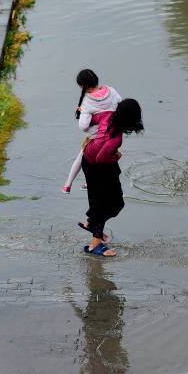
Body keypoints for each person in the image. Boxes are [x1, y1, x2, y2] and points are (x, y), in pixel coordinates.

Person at [79, 99, 144, 257]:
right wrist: (117, 156)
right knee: (106, 205)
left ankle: (92, 223)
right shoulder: (116, 139)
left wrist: (82, 111)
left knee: (111, 203)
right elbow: (101, 158)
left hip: (90, 161)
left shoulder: (107, 115)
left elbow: (91, 121)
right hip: (97, 167)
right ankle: (95, 245)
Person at [62, 69, 121, 193]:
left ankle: (68, 185)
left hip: (96, 137)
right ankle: (88, 183)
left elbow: (83, 126)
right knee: (104, 160)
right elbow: (120, 105)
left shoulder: (87, 101)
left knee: (82, 157)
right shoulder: (111, 91)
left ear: (82, 85)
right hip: (113, 135)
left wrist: (93, 120)